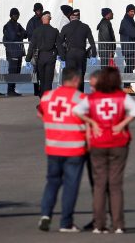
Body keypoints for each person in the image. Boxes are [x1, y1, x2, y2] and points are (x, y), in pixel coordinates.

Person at [73, 67, 135, 234]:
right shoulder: (122, 97)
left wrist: (92, 122)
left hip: (98, 142)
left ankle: (99, 224)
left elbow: (77, 111)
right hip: (118, 142)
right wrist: (122, 124)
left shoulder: (93, 98)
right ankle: (118, 224)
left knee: (99, 185)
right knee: (115, 185)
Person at [37, 68, 87, 233]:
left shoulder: (48, 96)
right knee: (70, 186)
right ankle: (66, 222)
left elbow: (40, 113)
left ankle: (45, 214)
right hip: (74, 148)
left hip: (53, 147)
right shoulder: (80, 99)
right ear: (75, 80)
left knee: (52, 182)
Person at [26, 12, 66, 97]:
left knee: (42, 79)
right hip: (51, 56)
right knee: (48, 80)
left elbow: (31, 46)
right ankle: (47, 99)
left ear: (42, 19)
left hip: (40, 57)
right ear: (50, 19)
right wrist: (63, 58)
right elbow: (59, 46)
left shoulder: (36, 31)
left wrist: (27, 59)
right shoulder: (54, 31)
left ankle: (42, 98)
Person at [60, 9, 97, 92]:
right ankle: (79, 96)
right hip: (81, 53)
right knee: (80, 76)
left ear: (71, 17)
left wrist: (61, 55)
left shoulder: (66, 27)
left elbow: (60, 43)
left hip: (70, 54)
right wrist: (94, 55)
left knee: (70, 76)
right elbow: (92, 43)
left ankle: (70, 96)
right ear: (78, 16)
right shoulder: (85, 27)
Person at [3, 8, 26, 96]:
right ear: (11, 15)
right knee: (12, 71)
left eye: (17, 14)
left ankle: (13, 89)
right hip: (12, 52)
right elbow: (12, 36)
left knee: (17, 71)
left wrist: (19, 34)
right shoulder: (8, 25)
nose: (16, 16)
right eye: (14, 15)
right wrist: (19, 34)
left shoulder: (18, 25)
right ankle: (10, 90)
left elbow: (25, 34)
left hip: (18, 51)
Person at [118, 4, 135, 95]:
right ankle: (126, 87)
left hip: (131, 48)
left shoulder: (129, 20)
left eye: (134, 11)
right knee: (129, 66)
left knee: (130, 66)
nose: (133, 13)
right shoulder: (126, 21)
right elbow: (134, 33)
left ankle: (127, 86)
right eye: (131, 11)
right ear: (127, 11)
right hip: (129, 48)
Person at [26, 3, 44, 94]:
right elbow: (30, 35)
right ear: (35, 11)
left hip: (43, 49)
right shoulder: (31, 21)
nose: (39, 12)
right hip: (35, 49)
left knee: (43, 69)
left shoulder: (43, 20)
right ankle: (36, 90)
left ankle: (43, 89)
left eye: (40, 10)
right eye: (37, 10)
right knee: (35, 70)